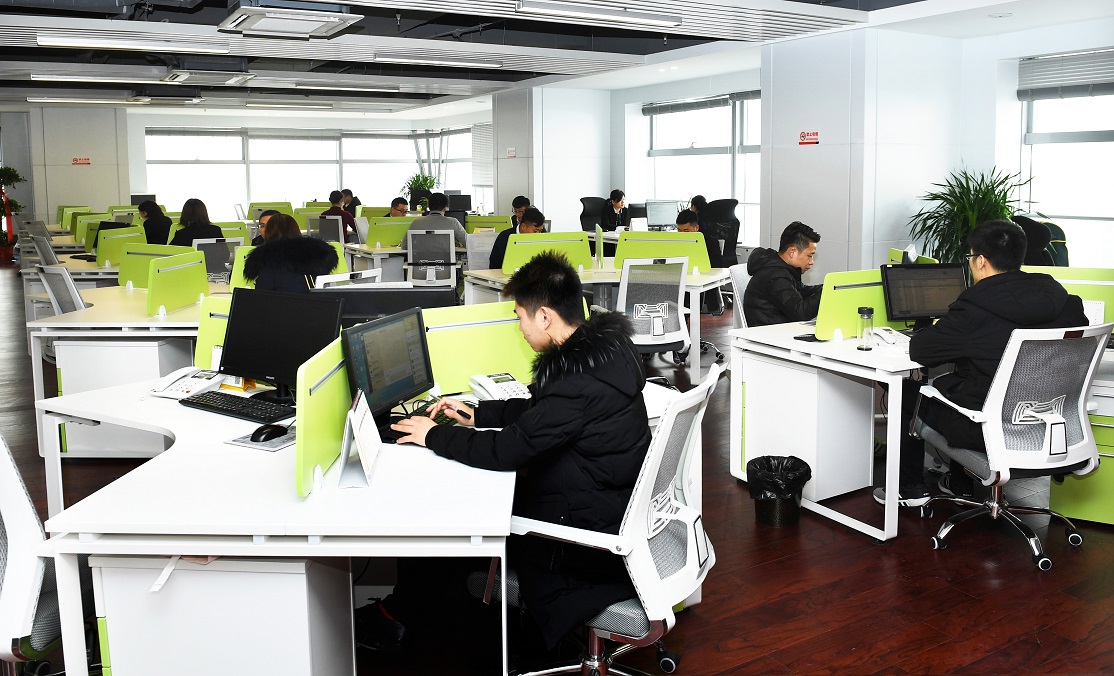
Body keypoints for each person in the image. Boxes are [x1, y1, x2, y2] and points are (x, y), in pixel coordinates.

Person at [360, 251, 651, 654]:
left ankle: (402, 617)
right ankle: (412, 609)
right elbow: (543, 412)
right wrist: (477, 414)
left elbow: (506, 450)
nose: (519, 327)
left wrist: (433, 435)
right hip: (605, 502)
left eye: (519, 316)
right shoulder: (603, 353)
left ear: (544, 316)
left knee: (451, 515)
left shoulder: (575, 382)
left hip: (579, 540)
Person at [880, 220, 1088, 506]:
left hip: (990, 429)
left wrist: (945, 328)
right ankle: (958, 483)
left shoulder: (974, 308)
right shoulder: (1064, 300)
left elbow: (921, 351)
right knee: (966, 379)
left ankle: (909, 490)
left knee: (907, 393)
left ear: (980, 261)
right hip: (1049, 425)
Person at [743, 221, 823, 326]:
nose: (811, 261)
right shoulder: (775, 276)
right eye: (810, 255)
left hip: (777, 328)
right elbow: (801, 313)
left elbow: (799, 292)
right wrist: (824, 292)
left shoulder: (780, 268)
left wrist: (828, 287)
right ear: (792, 252)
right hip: (769, 333)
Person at [242, 214, 338, 293]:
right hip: (318, 307)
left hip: (283, 308)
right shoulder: (318, 257)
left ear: (269, 233)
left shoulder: (269, 262)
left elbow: (261, 298)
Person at [676, 209, 724, 315]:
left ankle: (684, 319)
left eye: (686, 231)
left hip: (699, 283)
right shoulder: (674, 242)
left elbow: (718, 266)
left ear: (696, 228)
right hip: (679, 280)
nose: (682, 235)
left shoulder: (710, 242)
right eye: (679, 231)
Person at [399, 192, 467, 250]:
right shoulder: (453, 222)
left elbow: (404, 246)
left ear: (429, 207)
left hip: (421, 261)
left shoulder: (416, 222)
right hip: (445, 261)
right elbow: (468, 243)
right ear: (445, 208)